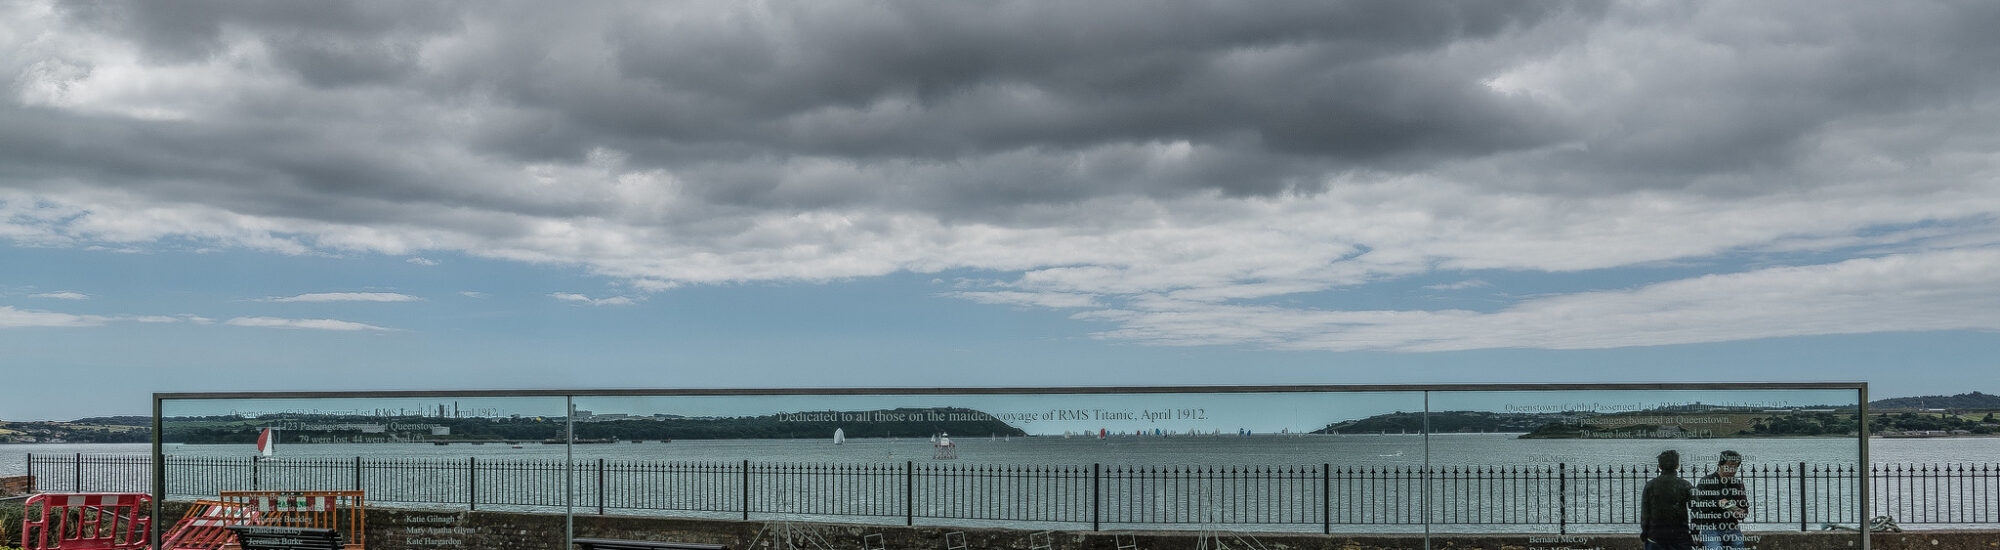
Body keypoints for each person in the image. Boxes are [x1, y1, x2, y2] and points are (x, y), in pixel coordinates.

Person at [1691, 450, 1750, 549]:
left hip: (1732, 527)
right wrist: (1717, 503)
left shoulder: (1738, 484)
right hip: (1710, 527)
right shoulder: (1706, 481)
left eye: (1735, 467)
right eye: (1729, 466)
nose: (1732, 470)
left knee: (1738, 547)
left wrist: (1740, 512)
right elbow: (1697, 506)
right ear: (1720, 465)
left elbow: (1744, 509)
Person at [1642, 450, 1696, 550]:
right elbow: (1696, 509)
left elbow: (1645, 513)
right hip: (1680, 535)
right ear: (1677, 466)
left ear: (1659, 466)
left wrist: (1645, 532)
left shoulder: (1650, 485)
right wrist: (1694, 532)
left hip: (1656, 535)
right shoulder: (1685, 485)